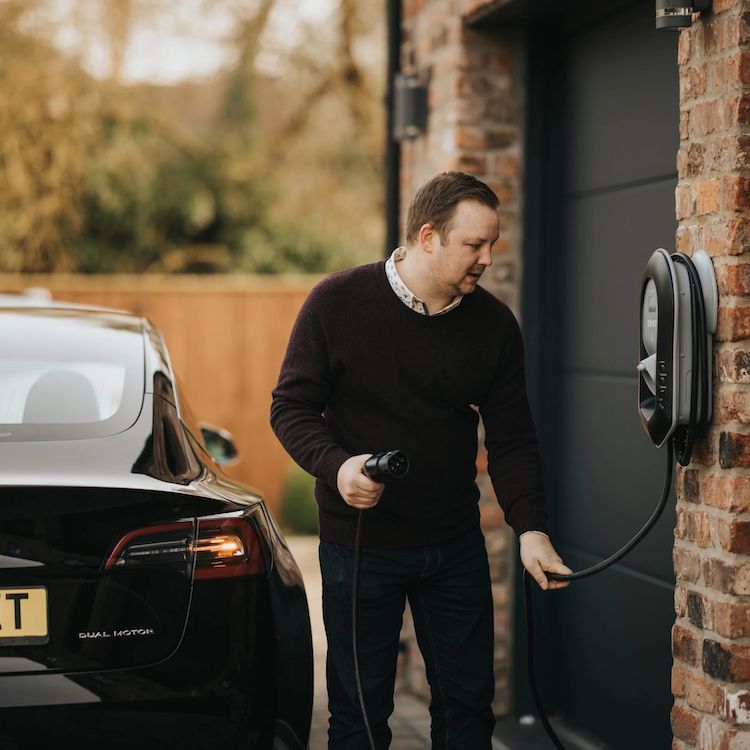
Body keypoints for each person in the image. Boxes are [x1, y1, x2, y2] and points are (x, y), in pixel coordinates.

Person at [270, 171, 571, 750]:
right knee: (359, 720)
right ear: (428, 237)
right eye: (474, 244)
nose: (487, 258)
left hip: (453, 545)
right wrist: (337, 467)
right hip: (357, 546)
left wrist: (531, 528)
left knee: (466, 714)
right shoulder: (337, 303)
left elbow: (511, 437)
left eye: (493, 243)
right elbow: (291, 407)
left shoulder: (493, 326)